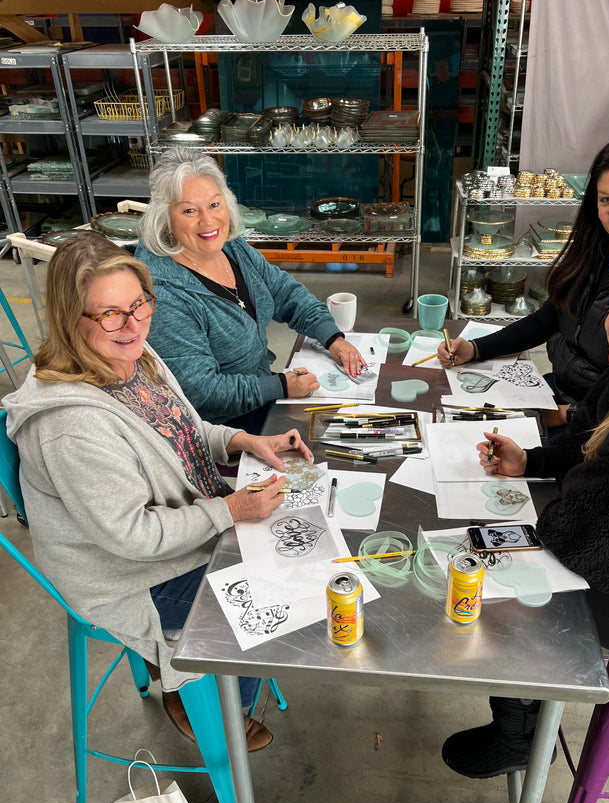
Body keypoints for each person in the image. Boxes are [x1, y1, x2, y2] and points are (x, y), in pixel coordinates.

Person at [2, 234, 315, 750]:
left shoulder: (134, 356)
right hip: (125, 574)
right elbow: (133, 537)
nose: (132, 325)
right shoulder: (70, 426)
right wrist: (231, 508)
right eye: (108, 314)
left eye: (138, 304)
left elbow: (185, 429)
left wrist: (242, 440)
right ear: (67, 318)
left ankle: (208, 677)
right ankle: (198, 693)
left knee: (288, 547)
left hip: (180, 521)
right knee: (271, 584)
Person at [442, 243, 609, 779]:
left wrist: (557, 511)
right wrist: (533, 461)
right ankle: (524, 719)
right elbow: (591, 435)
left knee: (513, 594)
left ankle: (520, 736)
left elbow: (600, 553)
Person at [438, 133, 609, 424]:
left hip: (598, 427)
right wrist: (476, 348)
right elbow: (546, 320)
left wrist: (564, 417)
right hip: (554, 394)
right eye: (606, 199)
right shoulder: (598, 250)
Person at [135, 148, 365, 429]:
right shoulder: (164, 294)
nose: (208, 221)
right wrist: (280, 385)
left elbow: (285, 293)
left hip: (262, 395)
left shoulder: (231, 246)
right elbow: (201, 392)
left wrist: (332, 338)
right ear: (166, 219)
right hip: (222, 426)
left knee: (356, 417)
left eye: (214, 205)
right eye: (189, 211)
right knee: (334, 435)